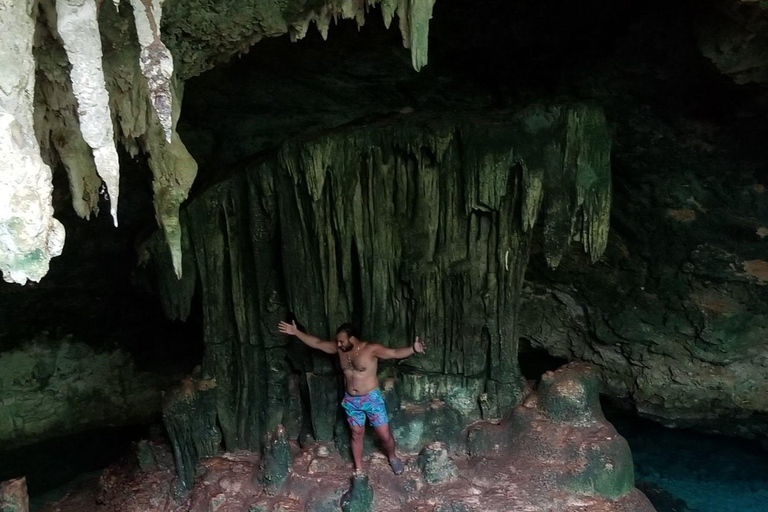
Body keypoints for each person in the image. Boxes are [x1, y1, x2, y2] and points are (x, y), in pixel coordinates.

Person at [277, 319, 425, 475]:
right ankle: (359, 469)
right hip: (351, 400)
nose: (338, 344)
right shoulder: (340, 349)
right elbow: (318, 343)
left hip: (371, 399)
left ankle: (393, 457)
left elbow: (394, 353)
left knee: (384, 434)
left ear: (352, 338)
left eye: (342, 341)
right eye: (338, 341)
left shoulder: (371, 350)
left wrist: (413, 349)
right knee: (356, 433)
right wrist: (296, 332)